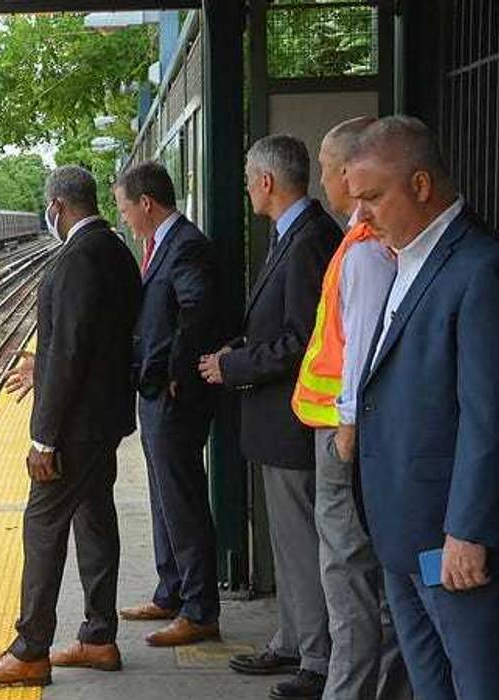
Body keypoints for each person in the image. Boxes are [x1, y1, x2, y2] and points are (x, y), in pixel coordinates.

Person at [347, 115, 499, 700]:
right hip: (404, 534)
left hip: (453, 544)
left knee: (482, 685)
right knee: (430, 685)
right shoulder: (409, 256)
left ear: (422, 185)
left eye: (373, 197)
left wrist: (468, 531)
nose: (361, 216)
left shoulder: (483, 269)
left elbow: (493, 418)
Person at [0, 165, 142, 686]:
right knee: (95, 521)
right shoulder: (115, 252)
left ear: (58, 207)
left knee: (42, 527)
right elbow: (95, 339)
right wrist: (39, 364)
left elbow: (70, 350)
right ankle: (99, 638)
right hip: (105, 420)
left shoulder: (77, 259)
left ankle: (30, 649)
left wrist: (44, 437)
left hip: (76, 428)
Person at [199, 134, 340, 700]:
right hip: (277, 423)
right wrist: (236, 352)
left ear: (265, 182)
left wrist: (234, 367)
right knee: (289, 542)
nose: (245, 190)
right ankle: (292, 637)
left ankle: (317, 656)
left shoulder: (307, 241)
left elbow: (302, 341)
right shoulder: (296, 235)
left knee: (303, 542)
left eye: (247, 179)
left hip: (291, 424)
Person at [291, 116, 412, 700]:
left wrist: (346, 427)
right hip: (349, 432)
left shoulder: (362, 254)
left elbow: (360, 347)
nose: (320, 179)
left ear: (345, 172)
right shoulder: (359, 246)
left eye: (322, 167)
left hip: (345, 435)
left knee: (347, 578)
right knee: (366, 578)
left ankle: (350, 692)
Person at [112, 162, 222, 647]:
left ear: (147, 204)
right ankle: (171, 590)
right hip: (155, 392)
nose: (125, 219)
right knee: (162, 495)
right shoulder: (163, 246)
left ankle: (199, 608)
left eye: (125, 210)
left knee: (182, 499)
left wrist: (176, 375)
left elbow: (197, 313)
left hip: (173, 396)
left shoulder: (186, 246)